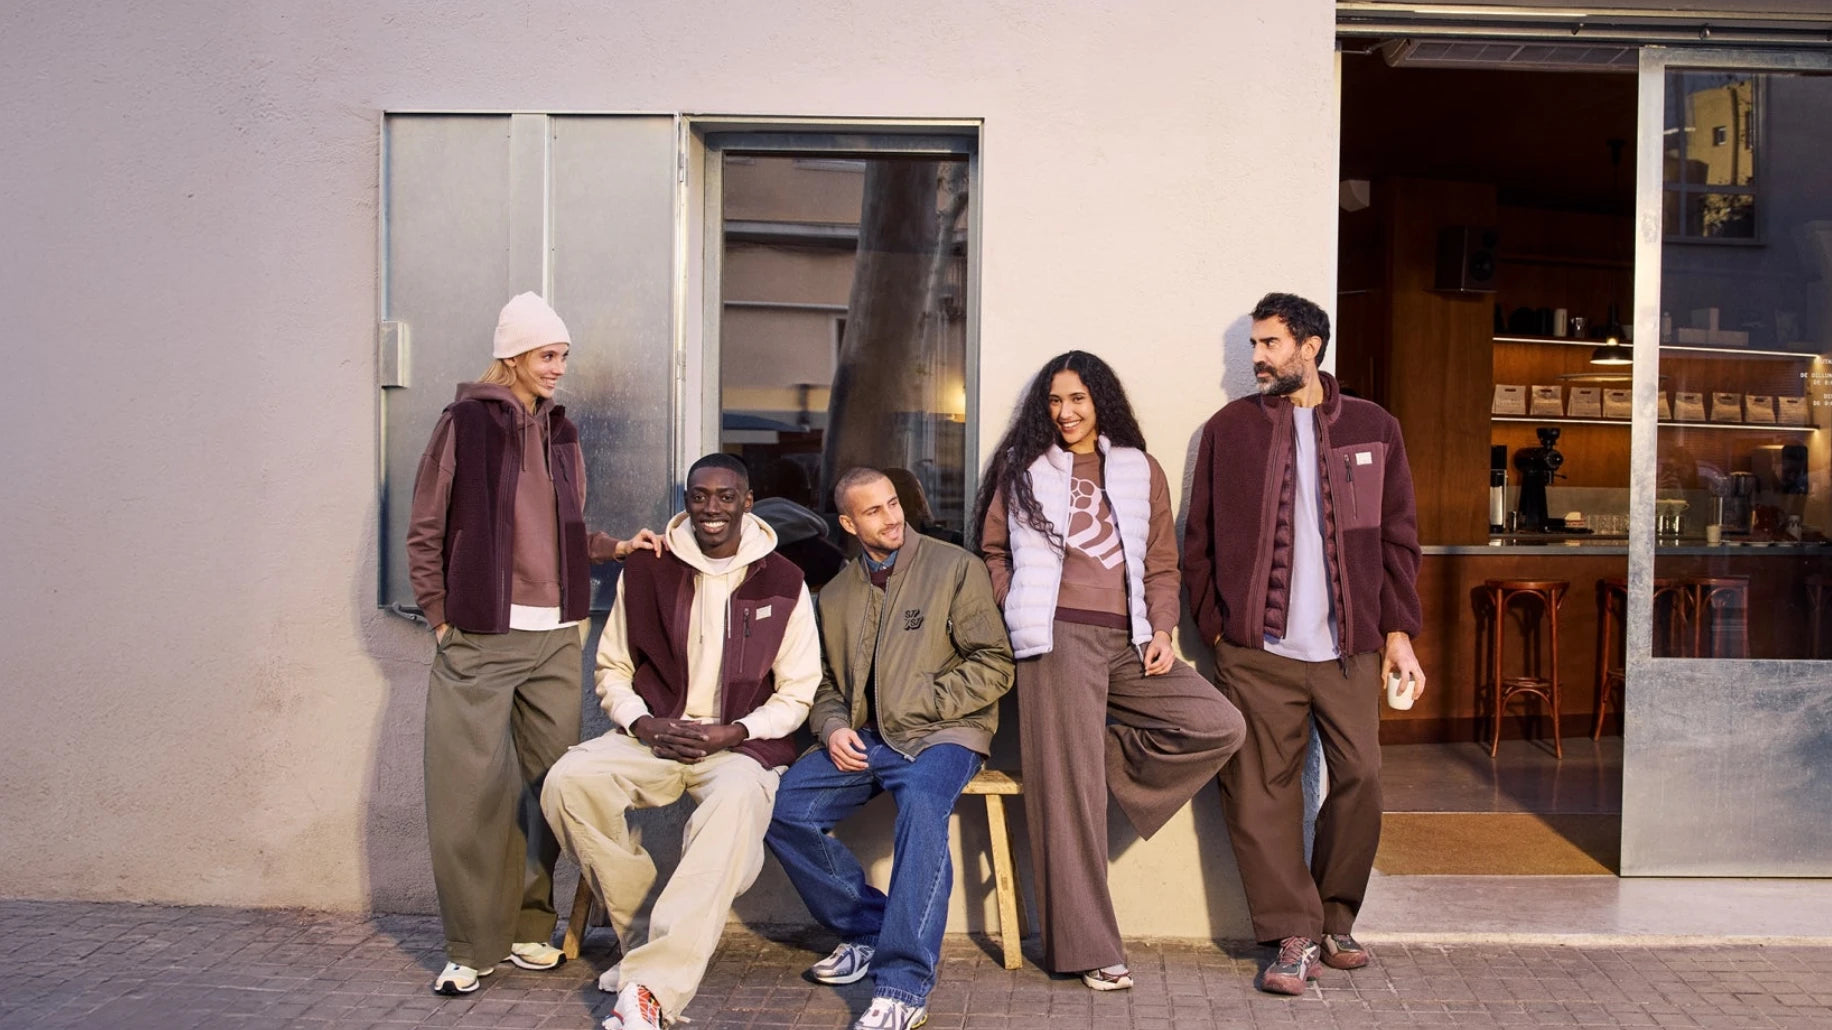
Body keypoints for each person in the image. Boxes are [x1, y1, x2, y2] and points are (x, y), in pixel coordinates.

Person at [405, 291, 663, 996]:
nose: (559, 368)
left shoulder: (562, 432)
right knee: (465, 796)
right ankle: (469, 944)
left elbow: (565, 528)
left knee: (547, 787)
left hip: (555, 639)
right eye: (549, 356)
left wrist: (616, 546)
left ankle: (528, 927)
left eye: (564, 357)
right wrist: (439, 616)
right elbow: (426, 526)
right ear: (514, 355)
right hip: (482, 636)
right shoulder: (464, 423)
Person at [973, 351, 1245, 990]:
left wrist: (1161, 627)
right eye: (1054, 402)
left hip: (1127, 641)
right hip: (1055, 640)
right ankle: (1089, 950)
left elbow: (1160, 562)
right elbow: (991, 549)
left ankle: (1082, 756)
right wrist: (1015, 601)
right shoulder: (1023, 472)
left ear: (1101, 402)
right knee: (1070, 805)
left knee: (1218, 723)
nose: (1065, 413)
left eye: (1077, 400)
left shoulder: (1136, 469)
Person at [1182, 292, 1425, 995]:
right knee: (1261, 793)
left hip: (1350, 648)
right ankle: (1292, 935)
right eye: (1253, 345)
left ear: (1310, 347)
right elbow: (1197, 540)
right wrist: (1220, 629)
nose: (1256, 358)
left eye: (1270, 344)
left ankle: (1334, 917)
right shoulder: (1230, 430)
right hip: (1258, 654)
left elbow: (1399, 539)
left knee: (1363, 779)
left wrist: (1400, 634)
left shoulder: (1374, 427)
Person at [540, 453, 821, 1030]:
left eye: (724, 496)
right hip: (656, 736)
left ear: (748, 501)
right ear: (686, 500)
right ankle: (649, 944)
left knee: (736, 805)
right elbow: (613, 668)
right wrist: (643, 723)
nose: (710, 508)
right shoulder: (648, 569)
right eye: (699, 496)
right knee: (568, 783)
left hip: (739, 745)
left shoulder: (784, 579)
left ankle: (650, 989)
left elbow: (798, 694)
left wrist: (736, 730)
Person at [766, 467, 1014, 1030]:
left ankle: (902, 986)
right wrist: (831, 728)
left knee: (924, 811)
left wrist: (922, 703)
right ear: (849, 523)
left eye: (894, 503)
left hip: (944, 735)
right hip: (867, 739)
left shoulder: (954, 568)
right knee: (784, 811)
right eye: (874, 511)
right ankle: (868, 929)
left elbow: (994, 664)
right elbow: (824, 682)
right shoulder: (835, 594)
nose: (892, 516)